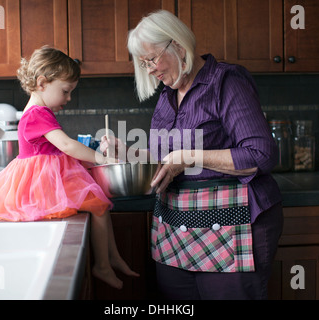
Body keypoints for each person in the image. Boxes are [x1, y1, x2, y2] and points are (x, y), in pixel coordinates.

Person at [101, 10, 283, 299]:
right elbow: (169, 155)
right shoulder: (167, 94)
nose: (149, 70)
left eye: (152, 59)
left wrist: (192, 157)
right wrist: (128, 151)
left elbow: (259, 155)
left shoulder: (226, 82)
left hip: (230, 227)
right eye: (143, 63)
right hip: (175, 228)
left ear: (178, 45)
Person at [0, 46, 138, 289]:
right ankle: (103, 265)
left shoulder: (36, 112)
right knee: (99, 206)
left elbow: (59, 149)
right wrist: (102, 160)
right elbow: (66, 145)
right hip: (44, 182)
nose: (69, 98)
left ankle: (111, 257)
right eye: (65, 91)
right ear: (42, 83)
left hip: (47, 175)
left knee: (100, 205)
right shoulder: (38, 113)